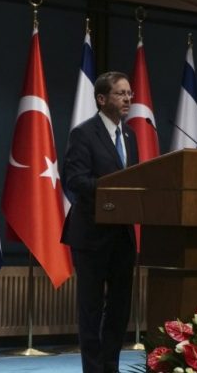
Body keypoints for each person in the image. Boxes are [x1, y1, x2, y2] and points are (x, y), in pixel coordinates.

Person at [62, 71, 138, 373]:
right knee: (91, 310)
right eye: (121, 93)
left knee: (119, 309)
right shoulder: (83, 134)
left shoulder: (130, 135)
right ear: (102, 99)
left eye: (129, 93)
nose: (128, 99)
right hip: (91, 234)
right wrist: (113, 190)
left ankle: (110, 366)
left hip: (122, 235)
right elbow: (75, 180)